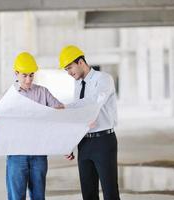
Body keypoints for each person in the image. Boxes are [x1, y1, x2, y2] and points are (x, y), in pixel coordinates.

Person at [0, 52, 63, 200]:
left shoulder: (42, 92)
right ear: (16, 73)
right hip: (16, 155)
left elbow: (61, 111)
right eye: (25, 75)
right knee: (16, 197)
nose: (28, 80)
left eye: (31, 75)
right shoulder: (9, 95)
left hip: (39, 153)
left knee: (38, 196)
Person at [59, 45, 120, 200]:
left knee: (110, 192)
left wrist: (65, 106)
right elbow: (78, 116)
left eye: (70, 68)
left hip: (103, 142)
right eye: (66, 70)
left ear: (80, 62)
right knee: (88, 194)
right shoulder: (77, 84)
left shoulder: (104, 79)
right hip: (84, 143)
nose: (69, 73)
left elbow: (93, 102)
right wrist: (70, 143)